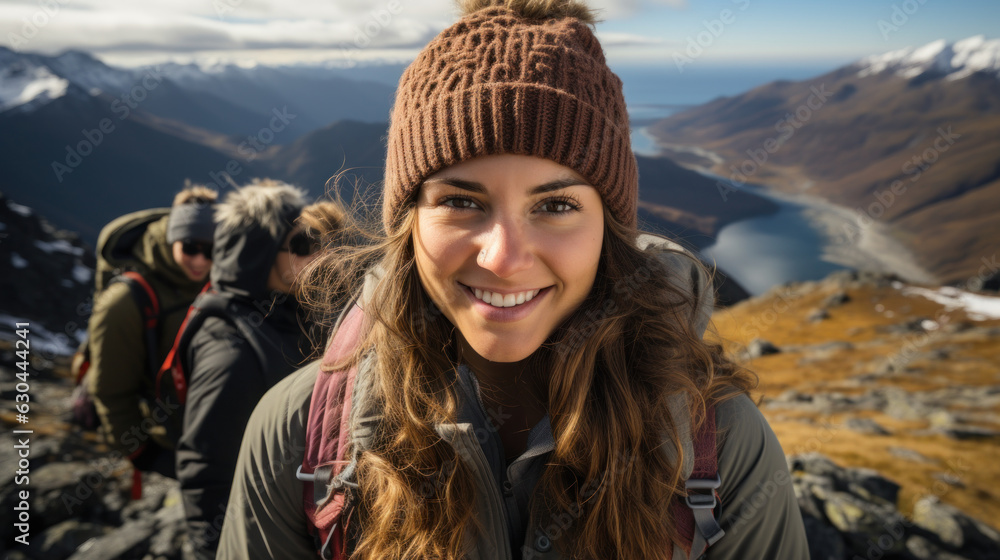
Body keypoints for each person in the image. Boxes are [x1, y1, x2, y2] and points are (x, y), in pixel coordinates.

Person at [219, 1, 809, 559]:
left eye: (555, 206)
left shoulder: (719, 442)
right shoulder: (301, 433)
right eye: (460, 202)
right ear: (409, 222)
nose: (504, 258)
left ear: (610, 229)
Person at [176, 182, 346, 559]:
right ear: (259, 255)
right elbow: (205, 471)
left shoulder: (285, 314)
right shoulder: (230, 352)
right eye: (302, 245)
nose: (318, 254)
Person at [87, 184, 217, 478]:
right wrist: (143, 454)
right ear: (172, 239)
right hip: (166, 443)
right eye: (190, 248)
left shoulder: (219, 280)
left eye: (211, 250)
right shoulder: (124, 304)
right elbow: (111, 391)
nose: (200, 260)